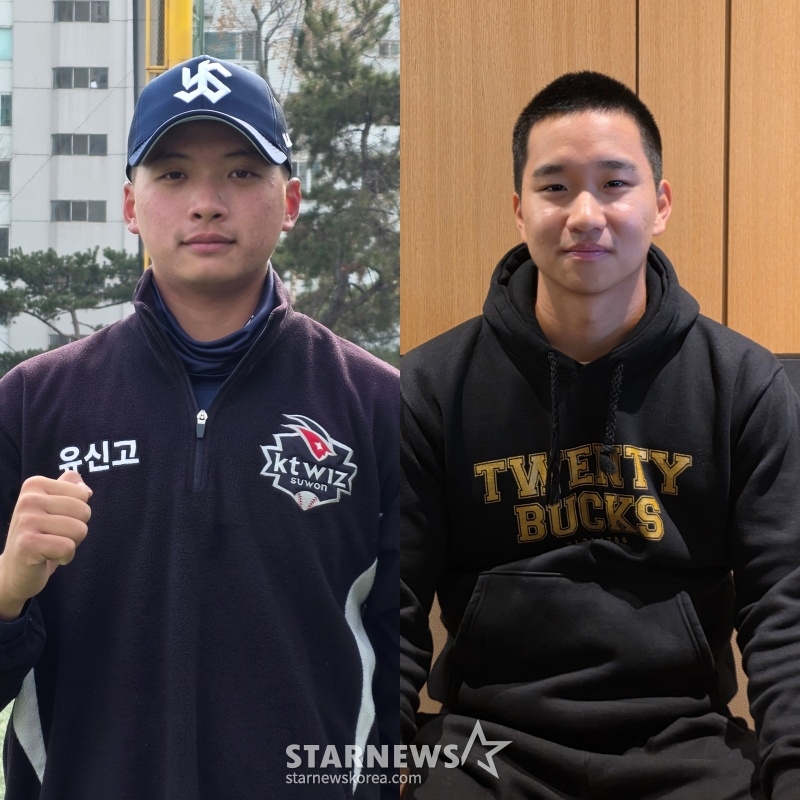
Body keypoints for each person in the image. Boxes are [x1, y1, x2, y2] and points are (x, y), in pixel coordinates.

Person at [0, 55, 399, 798]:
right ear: (130, 205)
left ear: (291, 200)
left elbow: (406, 659)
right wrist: (5, 593)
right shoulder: (30, 406)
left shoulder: (376, 407)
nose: (207, 204)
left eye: (242, 173)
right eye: (174, 174)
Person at [400, 71, 800, 799]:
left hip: (687, 745)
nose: (585, 214)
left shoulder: (744, 384)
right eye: (555, 188)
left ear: (661, 203)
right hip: (484, 749)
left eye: (615, 184)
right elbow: (385, 610)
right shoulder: (430, 388)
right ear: (520, 210)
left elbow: (785, 606)